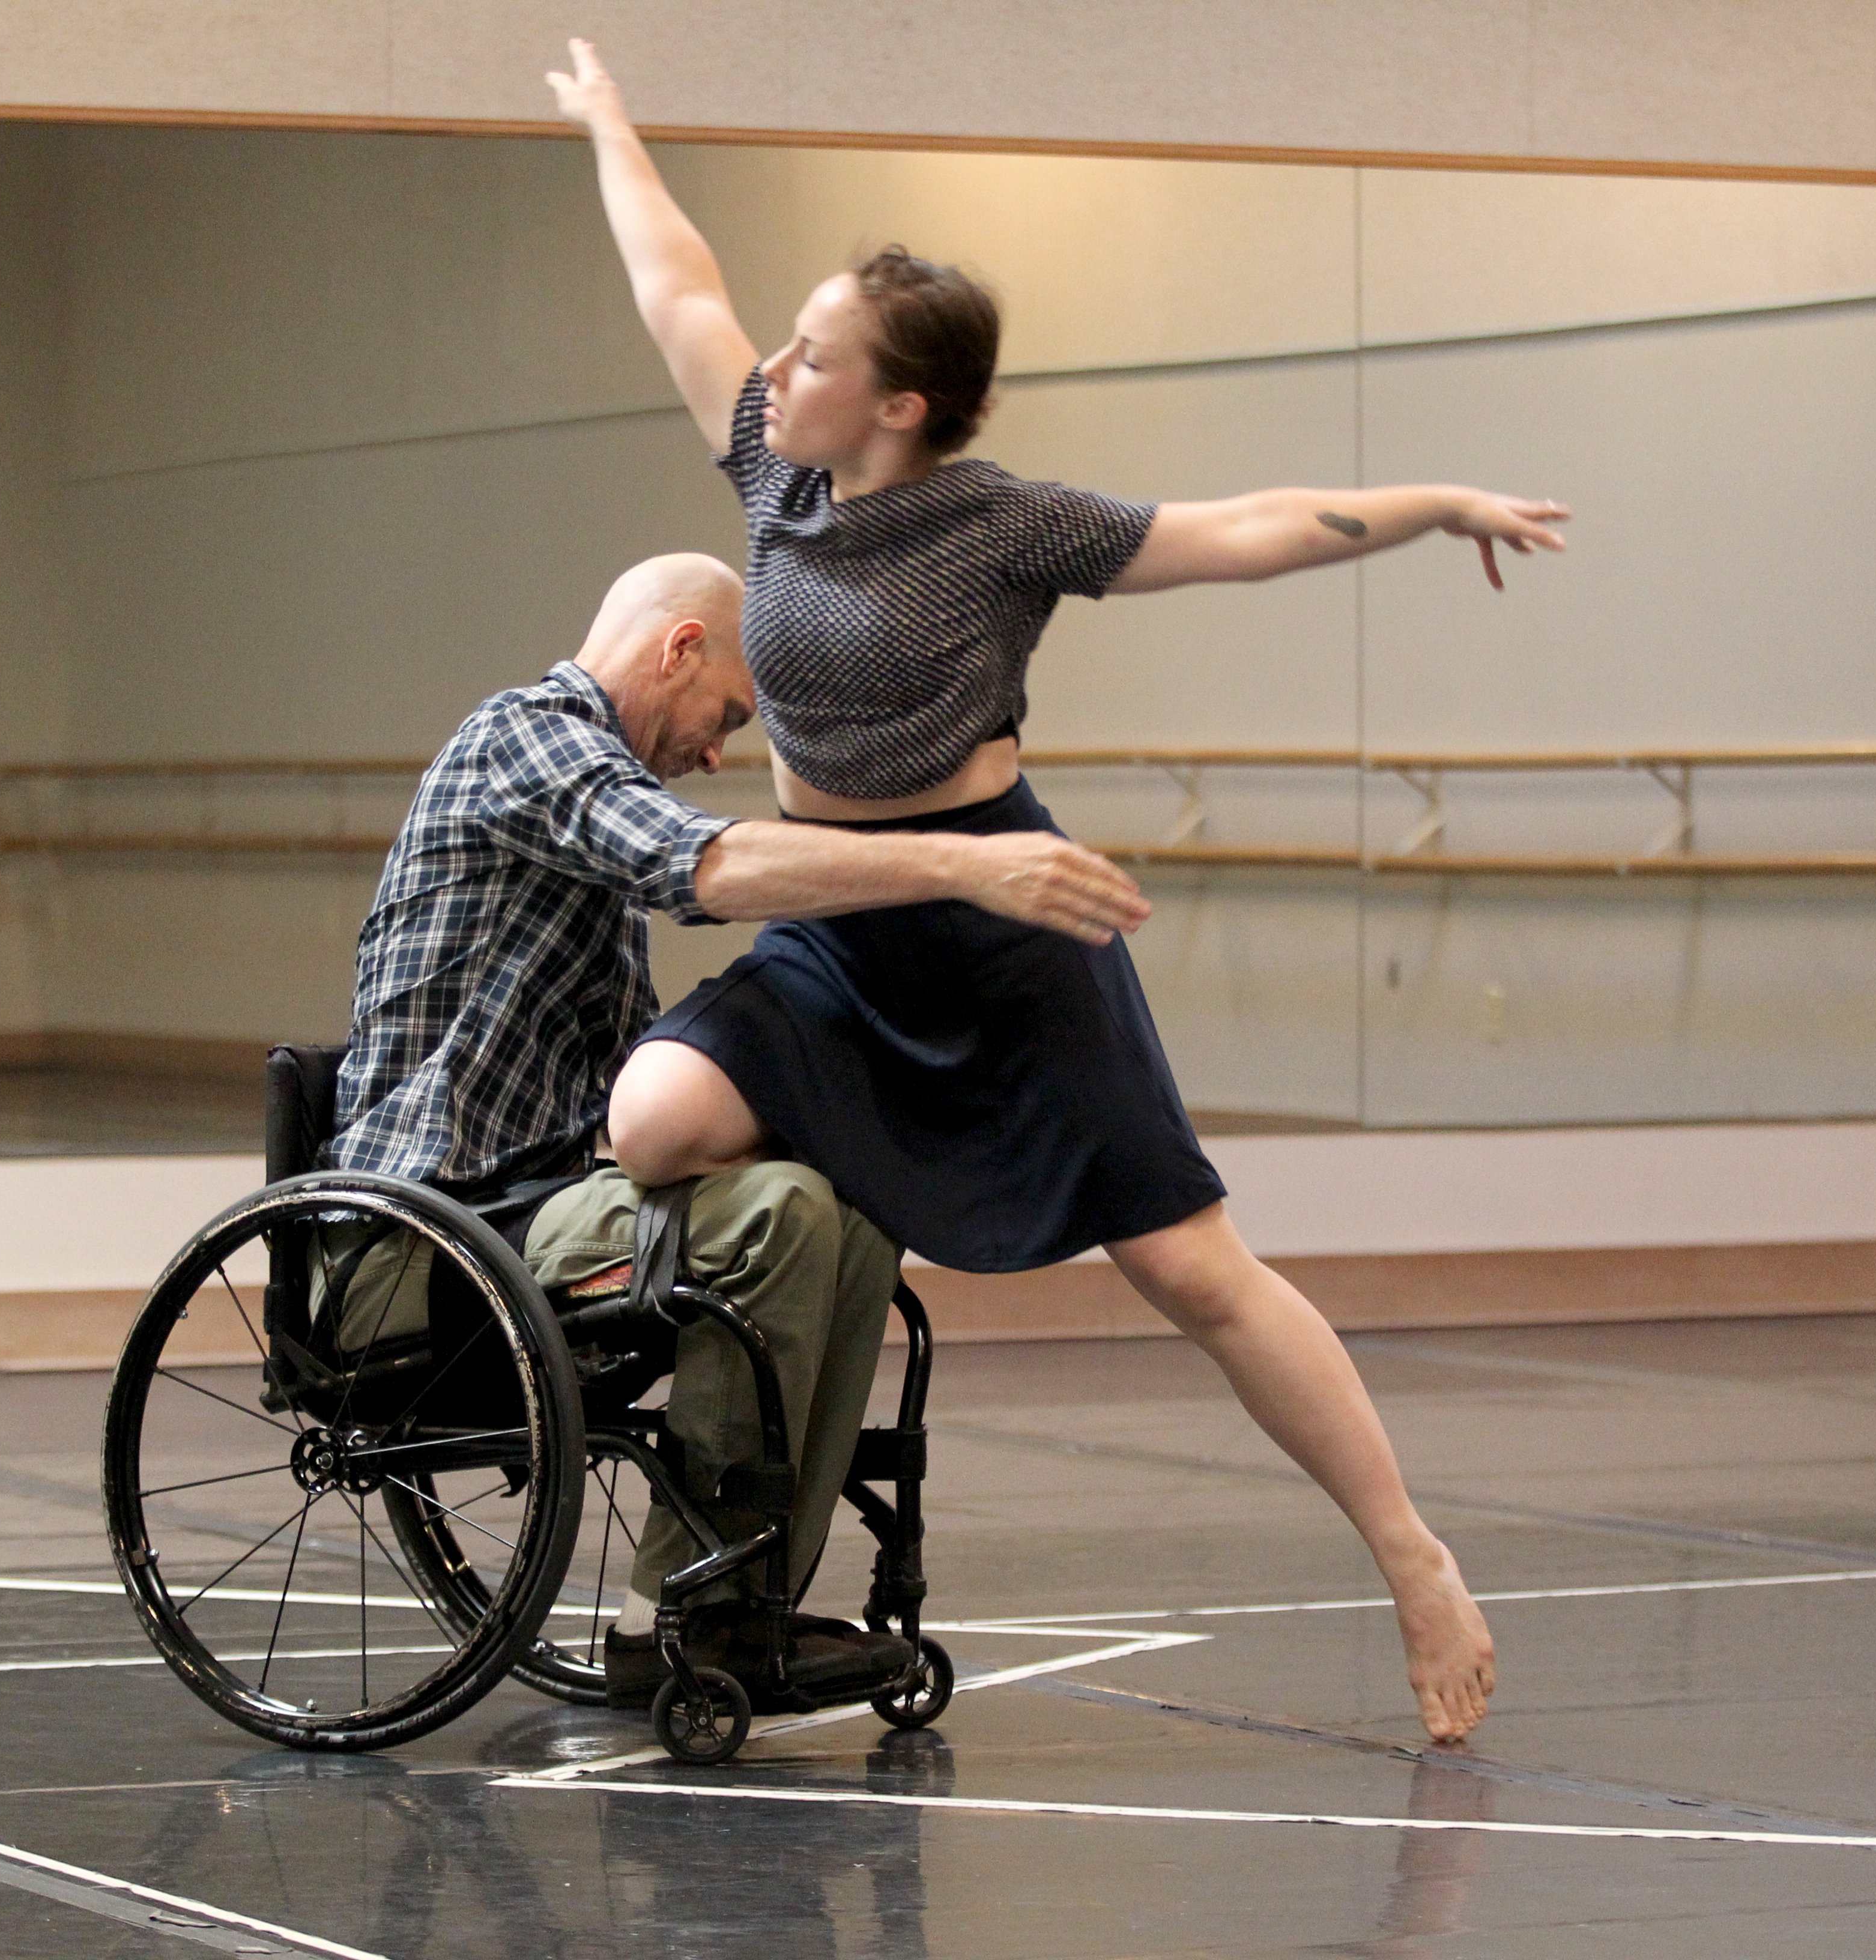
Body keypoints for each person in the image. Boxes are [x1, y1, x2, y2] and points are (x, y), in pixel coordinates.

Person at [547, 40, 1573, 1744]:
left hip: (1004, 928)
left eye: (819, 354)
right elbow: (675, 279)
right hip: (831, 935)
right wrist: (607, 124)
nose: (778, 366)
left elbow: (1251, 527)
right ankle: (820, 1277)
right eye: (791, 343)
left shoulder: (1006, 527)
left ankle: (1412, 1560)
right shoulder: (772, 466)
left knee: (1193, 1270)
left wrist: (1431, 504)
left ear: (901, 405)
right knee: (653, 1124)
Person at [322, 551, 1149, 1710]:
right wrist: (961, 863)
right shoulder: (526, 740)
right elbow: (708, 865)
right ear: (680, 650)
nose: (719, 753)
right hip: (424, 1244)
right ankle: (683, 1616)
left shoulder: (578, 809)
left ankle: (750, 1598)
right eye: (726, 717)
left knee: (856, 1207)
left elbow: (651, 1079)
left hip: (527, 1218)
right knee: (780, 1215)